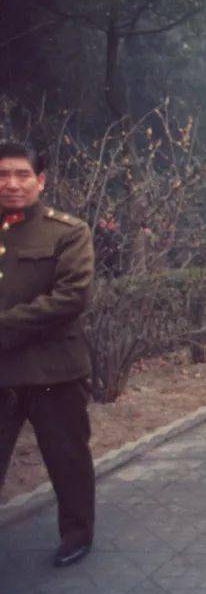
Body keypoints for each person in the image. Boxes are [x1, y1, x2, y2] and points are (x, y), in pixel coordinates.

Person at [0, 142, 96, 567]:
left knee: (67, 458)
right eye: (3, 175)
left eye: (22, 175)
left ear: (40, 181)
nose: (12, 184)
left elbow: (70, 298)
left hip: (53, 371)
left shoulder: (67, 232)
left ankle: (77, 534)